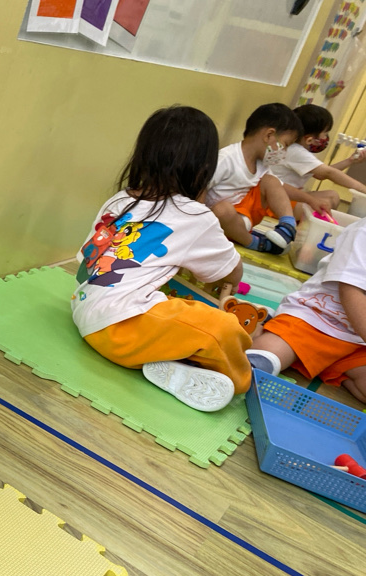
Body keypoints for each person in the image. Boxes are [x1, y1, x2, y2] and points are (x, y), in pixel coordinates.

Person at [73, 106, 279, 412]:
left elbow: (85, 262)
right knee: (222, 327)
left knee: (178, 312)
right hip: (120, 330)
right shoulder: (194, 214)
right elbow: (232, 271)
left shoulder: (121, 199)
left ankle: (171, 362)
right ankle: (242, 379)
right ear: (203, 169)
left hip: (84, 311)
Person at [250, 216, 366, 403]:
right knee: (262, 359)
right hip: (317, 320)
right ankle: (267, 328)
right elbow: (351, 292)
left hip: (356, 342)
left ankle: (326, 364)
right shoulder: (362, 232)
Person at [205, 103, 304, 254]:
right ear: (269, 135)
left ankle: (287, 227)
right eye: (285, 145)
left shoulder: (262, 164)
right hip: (219, 222)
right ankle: (256, 243)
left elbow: (279, 187)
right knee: (223, 209)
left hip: (245, 218)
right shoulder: (226, 159)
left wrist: (310, 199)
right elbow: (197, 192)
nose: (284, 152)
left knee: (271, 181)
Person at [270, 104, 366, 208]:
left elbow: (320, 175)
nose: (325, 137)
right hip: (276, 201)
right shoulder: (295, 151)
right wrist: (362, 189)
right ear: (309, 138)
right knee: (324, 204)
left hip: (285, 195)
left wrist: (350, 161)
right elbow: (329, 173)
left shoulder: (296, 148)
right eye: (325, 133)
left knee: (332, 195)